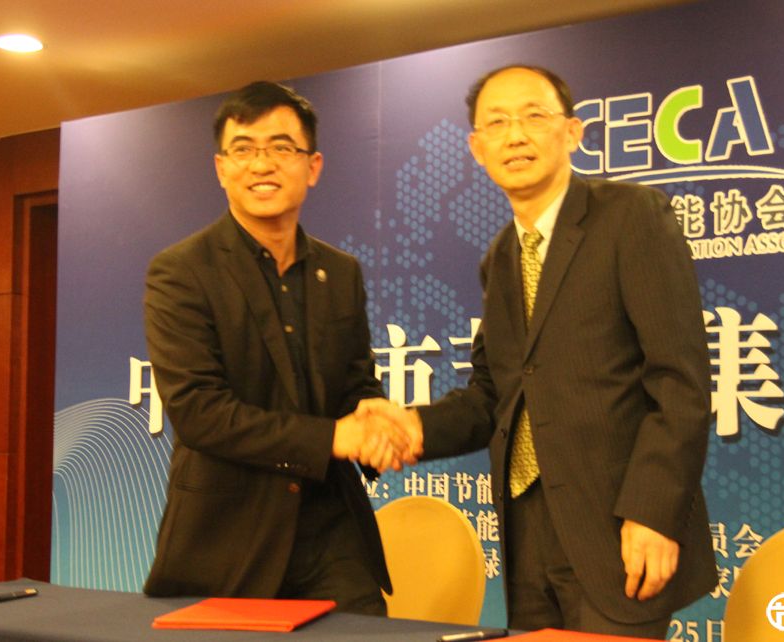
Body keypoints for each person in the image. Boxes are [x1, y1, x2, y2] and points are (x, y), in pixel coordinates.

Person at [363, 65, 716, 638]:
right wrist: (414, 427)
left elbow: (680, 382)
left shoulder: (631, 216)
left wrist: (654, 512)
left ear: (572, 132)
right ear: (477, 148)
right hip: (527, 531)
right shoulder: (501, 256)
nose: (516, 135)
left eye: (533, 116)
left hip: (618, 526)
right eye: (497, 123)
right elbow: (494, 395)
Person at [141, 81, 413, 613]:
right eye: (244, 149)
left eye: (281, 148)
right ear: (221, 168)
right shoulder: (181, 272)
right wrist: (334, 437)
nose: (262, 164)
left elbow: (355, 382)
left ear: (312, 166)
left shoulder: (341, 272)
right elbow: (200, 413)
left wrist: (374, 417)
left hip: (332, 530)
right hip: (227, 540)